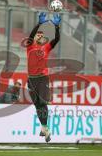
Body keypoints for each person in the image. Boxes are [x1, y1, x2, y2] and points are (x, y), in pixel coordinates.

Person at [26, 12, 60, 143]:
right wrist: (39, 23)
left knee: (43, 102)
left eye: (41, 35)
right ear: (34, 38)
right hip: (31, 79)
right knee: (37, 105)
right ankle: (44, 127)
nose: (39, 36)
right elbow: (30, 36)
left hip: (42, 78)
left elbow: (56, 40)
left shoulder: (46, 47)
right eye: (37, 34)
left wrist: (57, 27)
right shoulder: (29, 47)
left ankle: (45, 128)